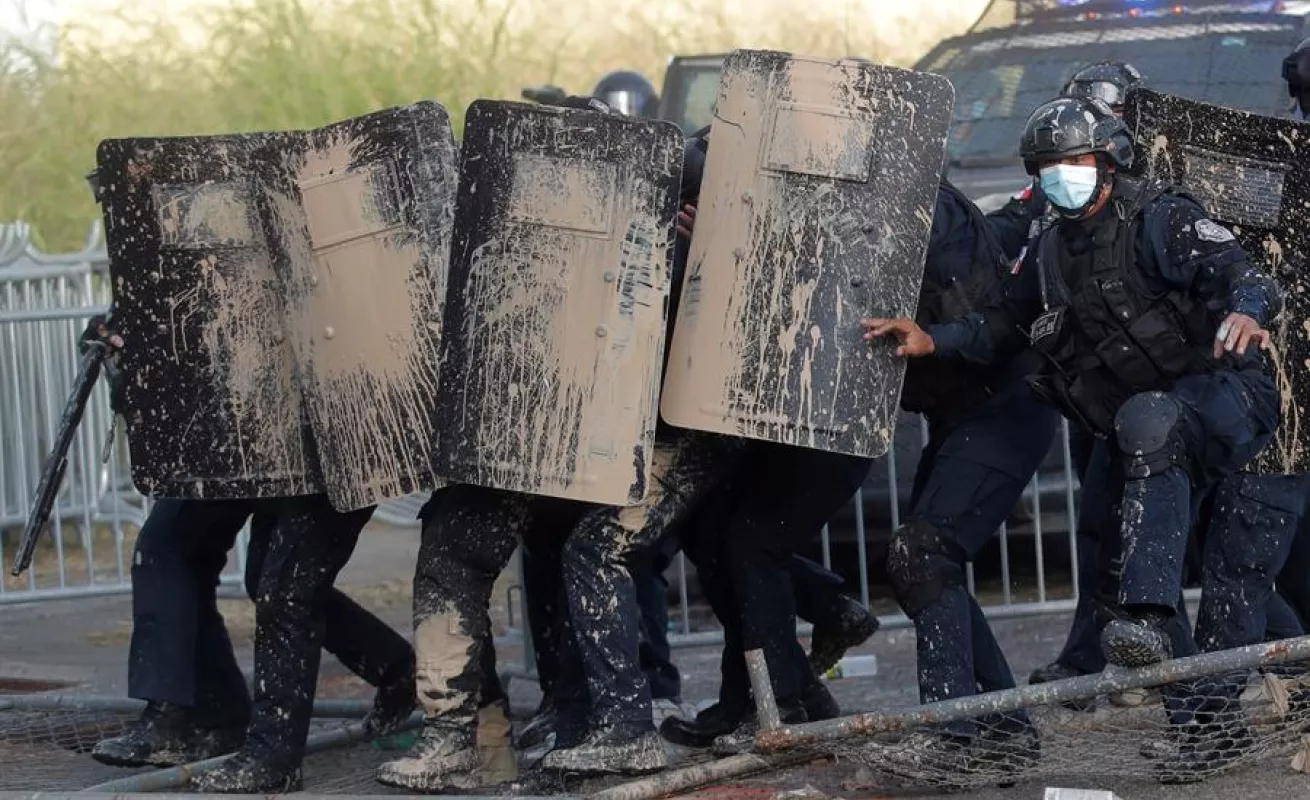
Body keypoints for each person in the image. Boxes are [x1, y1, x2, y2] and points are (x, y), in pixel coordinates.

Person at [863, 95, 1281, 673]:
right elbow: (1003, 324)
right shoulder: (1051, 251)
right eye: (1047, 168)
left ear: (1108, 161)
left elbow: (1245, 275)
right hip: (1145, 425)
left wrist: (1248, 313)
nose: (1062, 176)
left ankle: (1149, 617)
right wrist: (935, 340)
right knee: (1115, 545)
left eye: (1076, 161)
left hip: (1224, 397)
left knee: (1209, 538)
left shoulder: (1162, 218)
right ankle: (1200, 716)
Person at [80, 330, 416, 783]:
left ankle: (277, 753)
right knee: (172, 548)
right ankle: (203, 716)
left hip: (323, 410)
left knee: (280, 584)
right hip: (239, 418)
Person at [857, 178, 1057, 779]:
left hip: (1002, 408)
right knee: (922, 563)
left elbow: (989, 325)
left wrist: (933, 338)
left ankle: (953, 740)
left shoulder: (925, 212)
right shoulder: (904, 214)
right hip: (962, 414)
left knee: (921, 553)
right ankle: (1004, 727)